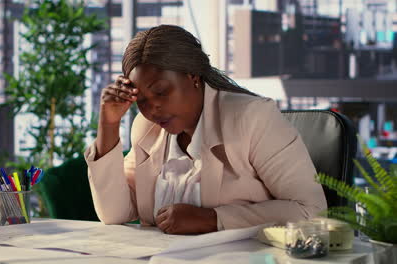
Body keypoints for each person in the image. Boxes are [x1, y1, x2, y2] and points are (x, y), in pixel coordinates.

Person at [84, 25, 327, 235]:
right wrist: (109, 124)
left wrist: (213, 219)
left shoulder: (253, 118)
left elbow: (312, 211)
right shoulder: (146, 129)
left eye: (160, 92)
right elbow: (114, 214)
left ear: (193, 77)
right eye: (142, 100)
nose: (153, 108)